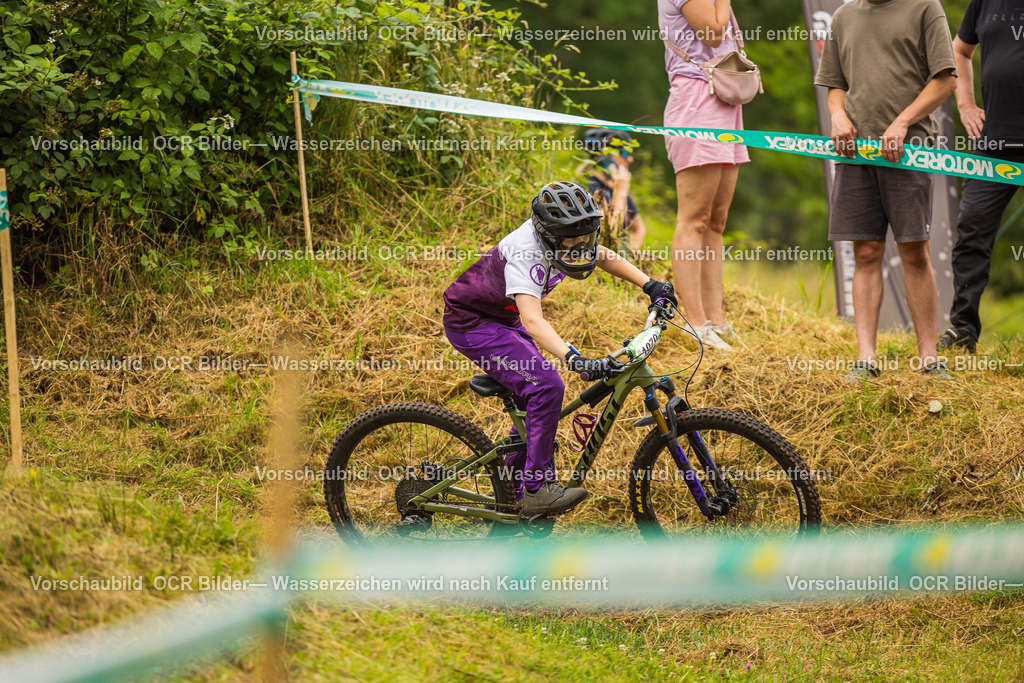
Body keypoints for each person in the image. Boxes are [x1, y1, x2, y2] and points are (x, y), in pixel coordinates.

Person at [442, 181, 677, 516]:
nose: (581, 250)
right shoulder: (525, 254)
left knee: (535, 395)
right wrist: (573, 357)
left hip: (503, 319)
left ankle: (512, 485)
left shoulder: (567, 236)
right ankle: (537, 488)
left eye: (586, 240)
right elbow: (534, 322)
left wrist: (650, 285)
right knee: (547, 385)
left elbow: (603, 256)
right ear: (549, 235)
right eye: (571, 244)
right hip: (473, 323)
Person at [814, 0, 957, 381]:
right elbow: (834, 85)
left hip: (910, 150)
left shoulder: (926, 7)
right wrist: (838, 115)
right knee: (865, 250)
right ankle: (866, 359)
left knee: (914, 250)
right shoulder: (845, 15)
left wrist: (903, 122)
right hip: (855, 152)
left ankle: (929, 358)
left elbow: (946, 79)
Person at [659, 0, 751, 351]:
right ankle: (695, 324)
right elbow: (713, 34)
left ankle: (717, 321)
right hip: (697, 102)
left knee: (716, 220)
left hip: (724, 100)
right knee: (694, 219)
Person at [937, 0, 1024, 354]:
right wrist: (966, 105)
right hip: (994, 141)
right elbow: (959, 50)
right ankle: (962, 331)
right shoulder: (985, 2)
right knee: (972, 229)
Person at [579, 128, 647, 253]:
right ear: (603, 155)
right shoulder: (587, 190)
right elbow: (609, 234)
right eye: (625, 153)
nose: (630, 159)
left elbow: (639, 228)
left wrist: (628, 254)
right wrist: (620, 194)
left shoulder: (613, 186)